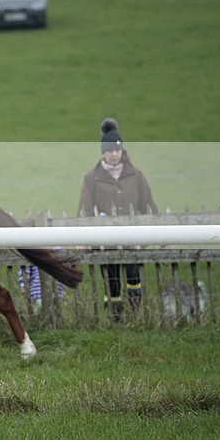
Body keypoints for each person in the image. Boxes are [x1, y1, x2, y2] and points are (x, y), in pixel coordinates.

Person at [78, 118, 158, 322]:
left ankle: (134, 312)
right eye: (109, 150)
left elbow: (147, 203)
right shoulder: (92, 177)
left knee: (133, 275)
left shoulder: (136, 175)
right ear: (103, 152)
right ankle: (115, 316)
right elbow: (85, 207)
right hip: (106, 238)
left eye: (117, 150)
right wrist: (81, 235)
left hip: (132, 236)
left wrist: (157, 227)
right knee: (112, 278)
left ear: (122, 151)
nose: (114, 154)